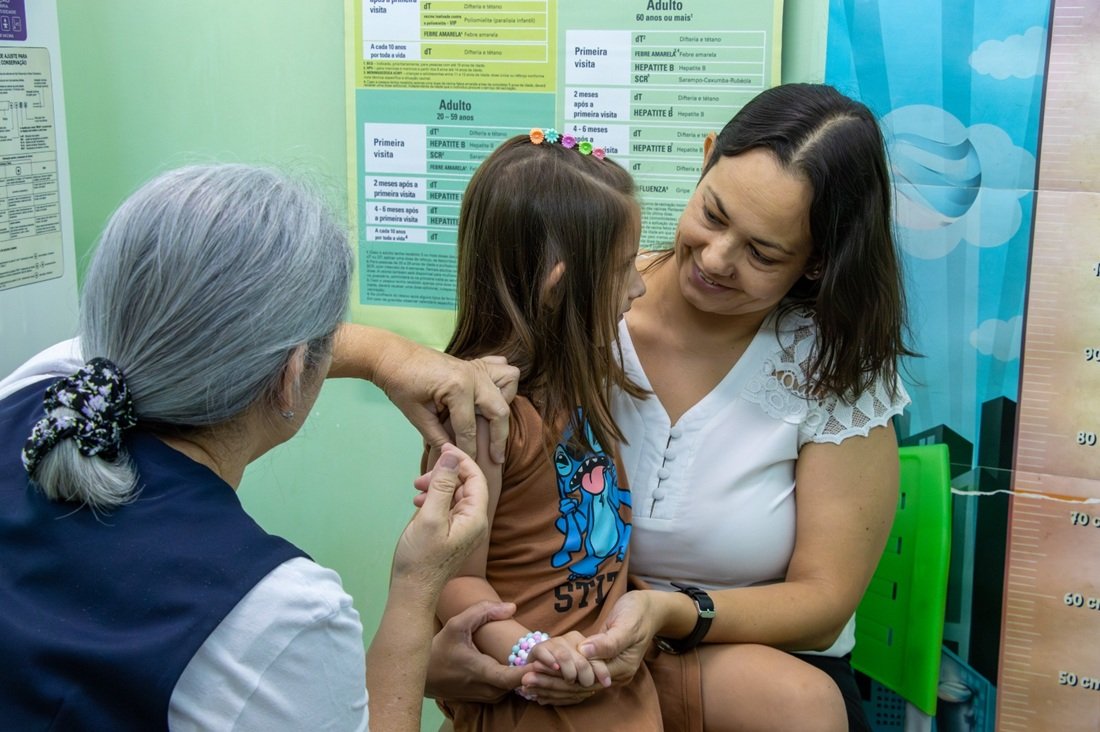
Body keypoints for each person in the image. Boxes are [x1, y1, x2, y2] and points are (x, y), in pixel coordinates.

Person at [429, 83, 915, 732]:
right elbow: (460, 564)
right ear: (707, 157)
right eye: (713, 215)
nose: (715, 260)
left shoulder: (829, 367)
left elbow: (824, 605)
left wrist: (668, 611)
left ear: (819, 263)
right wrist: (503, 648)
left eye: (763, 253)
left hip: (751, 667)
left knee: (806, 708)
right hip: (569, 654)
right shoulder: (580, 316)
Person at [0, 163, 517, 732]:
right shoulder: (278, 612)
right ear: (292, 376)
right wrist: (418, 592)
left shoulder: (43, 389)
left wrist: (384, 356)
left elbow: (185, 328)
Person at [428, 130, 662, 730]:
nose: (638, 288)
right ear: (559, 288)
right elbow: (452, 585)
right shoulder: (487, 420)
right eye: (620, 270)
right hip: (535, 707)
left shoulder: (583, 380)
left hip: (616, 698)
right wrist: (527, 647)